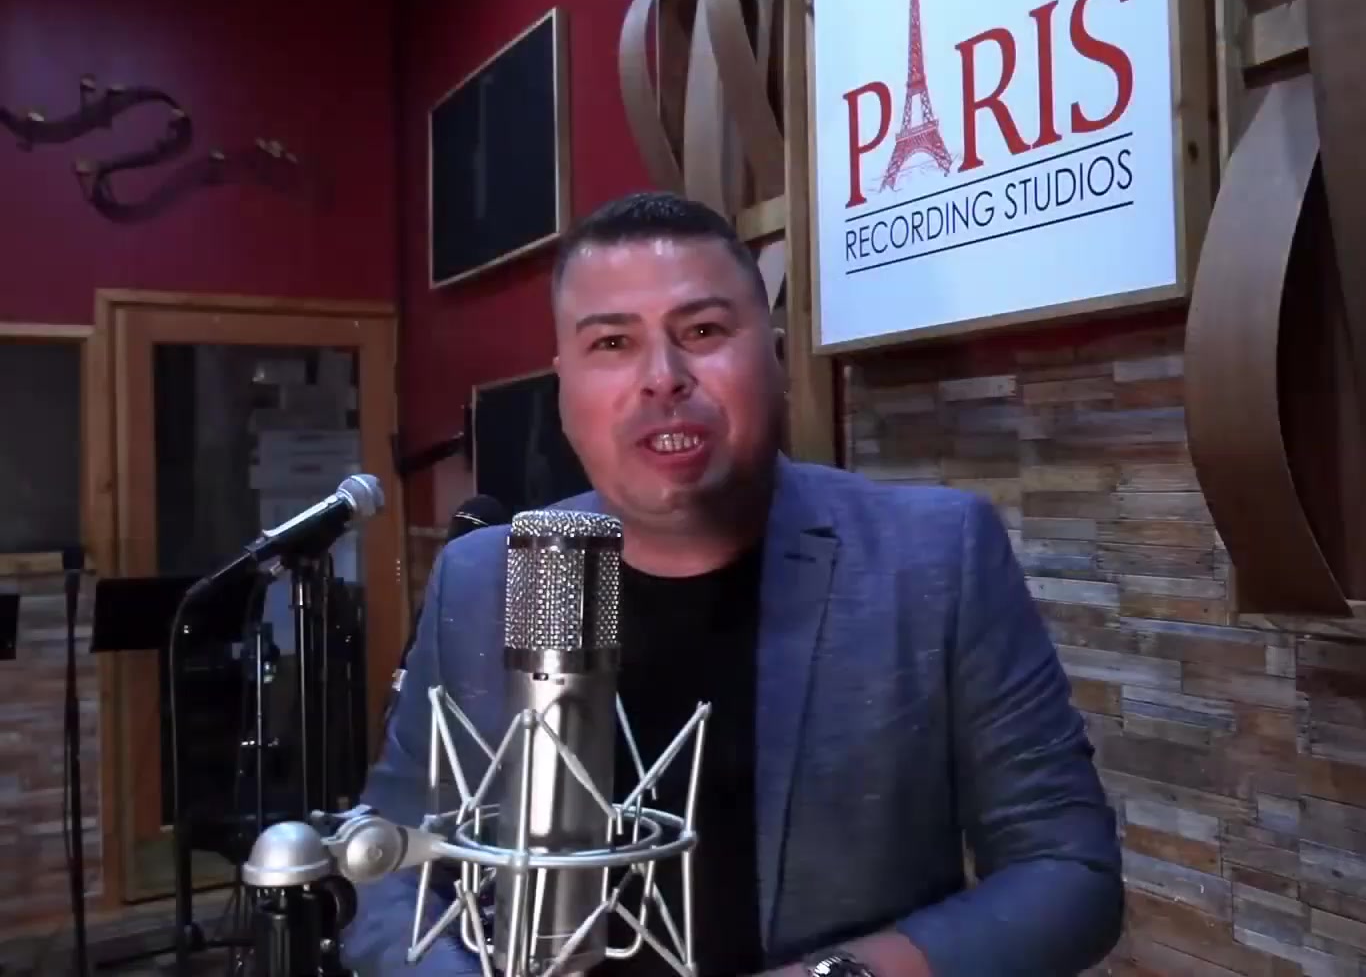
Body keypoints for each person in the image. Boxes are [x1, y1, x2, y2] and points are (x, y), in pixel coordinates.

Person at [341, 192, 1124, 976]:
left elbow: (1066, 874)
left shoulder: (936, 557)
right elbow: (389, 862)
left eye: (703, 332)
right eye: (612, 343)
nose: (662, 378)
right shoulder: (485, 576)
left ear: (775, 360)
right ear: (565, 391)